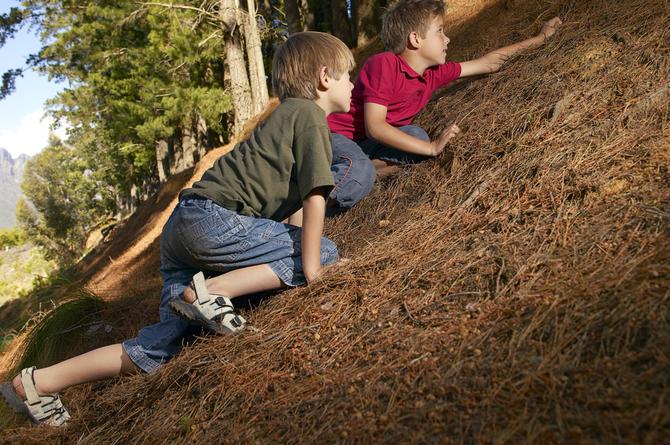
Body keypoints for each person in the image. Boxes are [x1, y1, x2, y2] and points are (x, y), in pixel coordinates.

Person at [0, 31, 355, 426]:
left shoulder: (285, 118)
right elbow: (315, 198)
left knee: (159, 348)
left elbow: (292, 218)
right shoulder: (309, 116)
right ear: (325, 77)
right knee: (323, 250)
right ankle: (213, 291)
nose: (352, 84)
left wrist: (288, 249)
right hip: (213, 221)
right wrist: (315, 270)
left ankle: (38, 382)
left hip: (185, 230)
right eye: (347, 76)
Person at [327, 0, 562, 207]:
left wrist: (540, 39)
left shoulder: (433, 73)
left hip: (364, 145)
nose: (447, 38)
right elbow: (375, 127)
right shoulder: (384, 64)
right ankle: (305, 204)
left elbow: (488, 63)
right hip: (332, 138)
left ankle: (361, 174)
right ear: (415, 38)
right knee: (365, 166)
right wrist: (432, 148)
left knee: (416, 136)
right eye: (439, 31)